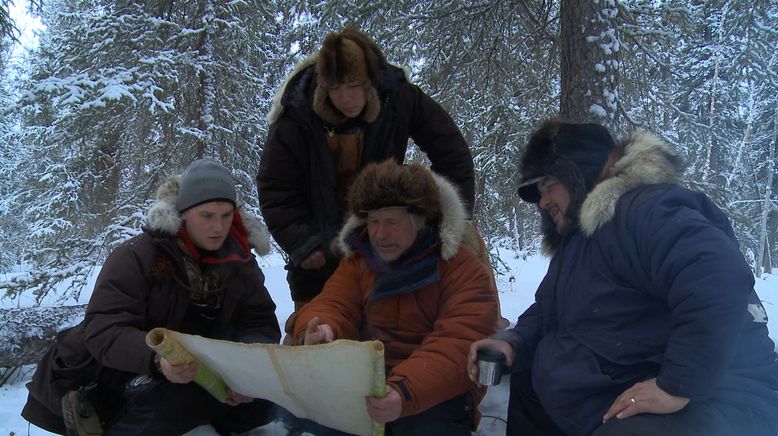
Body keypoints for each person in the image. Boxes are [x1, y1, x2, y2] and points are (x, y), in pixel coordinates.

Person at [468, 119, 778, 436]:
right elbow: (549, 312)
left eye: (549, 187)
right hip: (622, 386)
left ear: (581, 174)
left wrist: (677, 384)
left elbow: (715, 275)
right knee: (528, 378)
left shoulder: (645, 209)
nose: (543, 202)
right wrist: (514, 343)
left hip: (721, 396)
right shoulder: (579, 246)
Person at [257, 26, 507, 341]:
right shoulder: (296, 117)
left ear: (370, 81)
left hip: (385, 225)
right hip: (322, 243)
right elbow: (276, 189)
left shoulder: (398, 97)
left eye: (353, 85)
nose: (345, 97)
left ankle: (487, 332)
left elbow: (450, 150)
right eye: (336, 87)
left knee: (465, 241)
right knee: (316, 330)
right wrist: (302, 242)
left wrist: (437, 215)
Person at [22, 159, 282, 435]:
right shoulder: (136, 257)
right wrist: (157, 360)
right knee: (175, 404)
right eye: (207, 216)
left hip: (201, 375)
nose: (218, 227)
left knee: (268, 405)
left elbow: (259, 321)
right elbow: (103, 331)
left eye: (226, 215)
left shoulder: (239, 262)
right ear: (183, 213)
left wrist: (245, 375)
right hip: (116, 373)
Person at [293, 160, 498, 435]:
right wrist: (323, 329)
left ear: (419, 219)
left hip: (434, 392)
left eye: (391, 221)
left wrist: (403, 391)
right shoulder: (359, 261)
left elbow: (459, 344)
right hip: (368, 381)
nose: (379, 234)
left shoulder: (462, 269)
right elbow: (334, 303)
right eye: (374, 221)